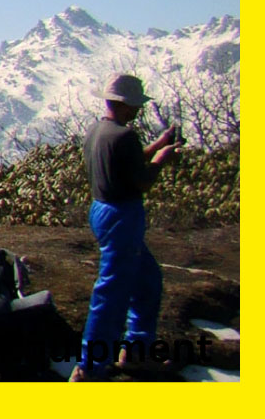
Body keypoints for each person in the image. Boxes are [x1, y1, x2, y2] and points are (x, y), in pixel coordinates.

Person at [69, 73, 180, 382]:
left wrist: (157, 145)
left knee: (147, 281)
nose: (138, 111)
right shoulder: (125, 136)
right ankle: (89, 367)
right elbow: (141, 180)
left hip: (101, 209)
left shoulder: (98, 131)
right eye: (135, 105)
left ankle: (136, 351)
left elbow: (124, 165)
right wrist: (161, 159)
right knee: (112, 292)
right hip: (122, 215)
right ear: (127, 105)